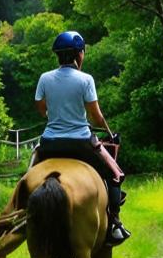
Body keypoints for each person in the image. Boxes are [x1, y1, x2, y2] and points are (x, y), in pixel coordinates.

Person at [33, 30, 131, 246]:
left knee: (30, 173)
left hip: (50, 143)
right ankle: (114, 222)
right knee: (115, 174)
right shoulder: (86, 79)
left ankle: (21, 213)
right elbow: (96, 117)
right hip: (80, 142)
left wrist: (56, 114)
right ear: (79, 54)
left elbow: (41, 109)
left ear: (58, 55)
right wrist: (107, 130)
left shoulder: (44, 78)